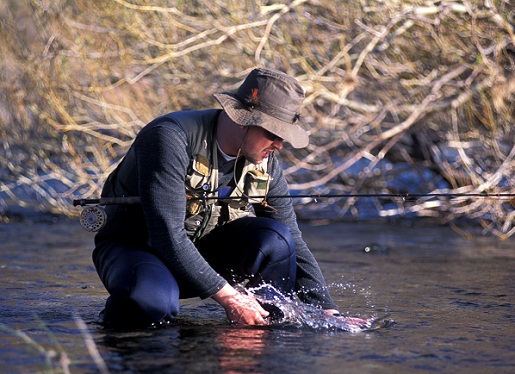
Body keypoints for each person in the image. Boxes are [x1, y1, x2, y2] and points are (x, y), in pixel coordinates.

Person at [92, 67, 359, 328]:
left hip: (201, 253)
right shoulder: (169, 138)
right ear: (242, 119)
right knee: (150, 303)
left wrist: (328, 311)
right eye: (274, 134)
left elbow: (294, 238)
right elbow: (167, 235)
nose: (279, 145)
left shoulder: (265, 160)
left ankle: (257, 330)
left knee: (276, 239)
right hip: (138, 250)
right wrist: (230, 298)